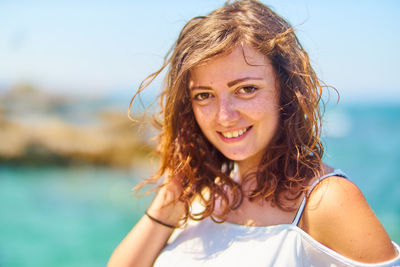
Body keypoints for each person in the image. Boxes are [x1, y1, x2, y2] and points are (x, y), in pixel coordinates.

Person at [108, 1, 400, 266]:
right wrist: (165, 206)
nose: (224, 116)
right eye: (204, 95)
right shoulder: (202, 194)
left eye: (246, 89)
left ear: (286, 89)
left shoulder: (327, 201)